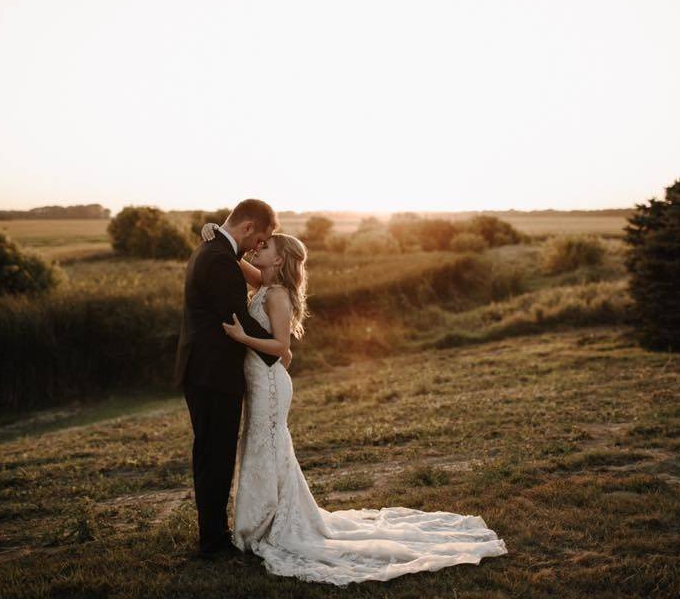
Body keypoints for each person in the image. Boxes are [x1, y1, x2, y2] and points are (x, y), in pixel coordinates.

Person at [202, 222, 508, 586]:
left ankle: (269, 522)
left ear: (279, 257)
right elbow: (233, 260)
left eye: (265, 246)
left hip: (269, 384)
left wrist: (241, 336)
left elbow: (282, 347)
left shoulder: (277, 294)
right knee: (263, 447)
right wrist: (214, 230)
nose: (257, 248)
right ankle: (263, 518)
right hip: (260, 381)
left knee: (267, 446)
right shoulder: (264, 283)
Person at [173, 199, 292, 559]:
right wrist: (277, 352)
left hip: (207, 372)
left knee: (213, 454)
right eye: (263, 238)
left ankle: (214, 535)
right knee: (216, 457)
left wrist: (277, 348)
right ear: (247, 228)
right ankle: (213, 542)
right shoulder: (218, 258)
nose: (260, 245)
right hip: (212, 375)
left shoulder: (214, 250)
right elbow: (235, 319)